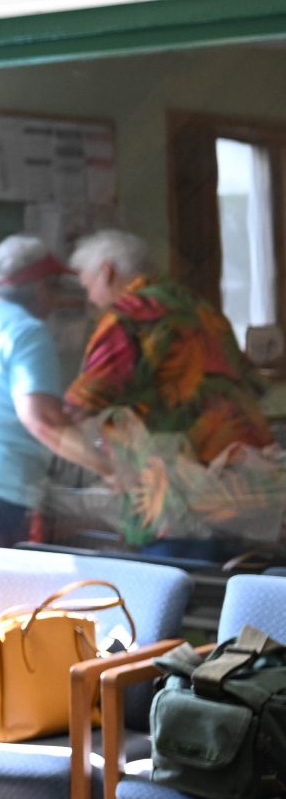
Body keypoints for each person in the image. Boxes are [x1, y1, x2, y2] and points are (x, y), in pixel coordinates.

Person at [65, 228, 276, 556]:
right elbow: (252, 386)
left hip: (181, 494)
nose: (90, 298)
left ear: (107, 271)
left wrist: (100, 461)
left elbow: (81, 405)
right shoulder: (201, 308)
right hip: (245, 487)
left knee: (173, 591)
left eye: (87, 284)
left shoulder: (129, 317)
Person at [0, 234, 105, 552]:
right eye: (56, 289)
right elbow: (41, 420)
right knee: (6, 596)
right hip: (6, 488)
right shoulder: (27, 331)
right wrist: (111, 470)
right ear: (42, 289)